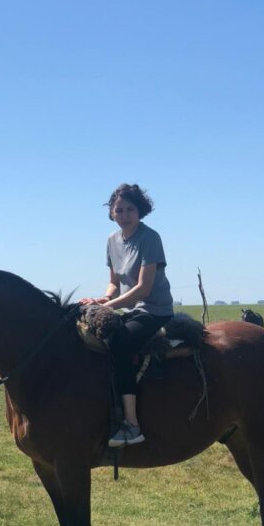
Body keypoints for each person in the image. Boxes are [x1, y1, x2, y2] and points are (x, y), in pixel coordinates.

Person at [80, 183, 174, 447]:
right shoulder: (112, 241)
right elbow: (114, 283)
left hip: (155, 310)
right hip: (129, 308)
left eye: (130, 209)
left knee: (120, 343)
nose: (124, 214)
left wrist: (108, 308)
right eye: (118, 209)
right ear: (111, 213)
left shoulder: (150, 238)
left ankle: (132, 425)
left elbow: (143, 289)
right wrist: (102, 299)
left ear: (140, 211)